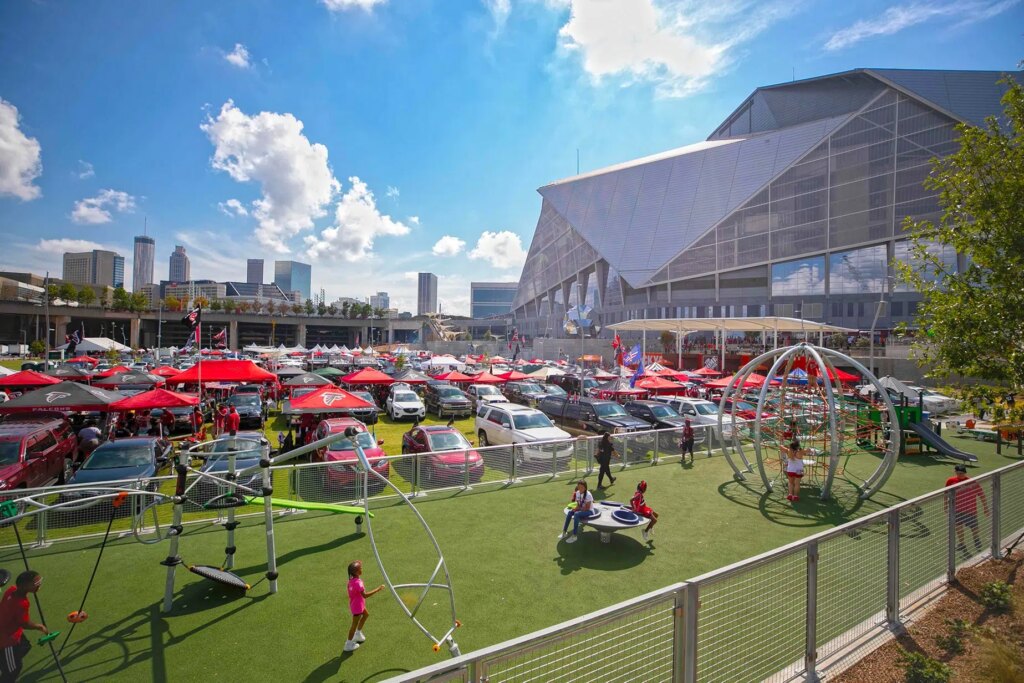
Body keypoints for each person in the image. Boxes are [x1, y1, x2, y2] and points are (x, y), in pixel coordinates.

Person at [0, 571, 48, 682]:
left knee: (25, 646)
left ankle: (4, 661)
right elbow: (24, 623)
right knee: (12, 670)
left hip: (12, 631)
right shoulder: (22, 603)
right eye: (35, 583)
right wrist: (40, 626)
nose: (39, 584)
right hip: (6, 639)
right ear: (24, 585)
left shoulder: (11, 590)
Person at [945, 464, 990, 553]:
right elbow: (946, 493)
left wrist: (985, 507)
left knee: (974, 528)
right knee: (958, 527)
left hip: (970, 510)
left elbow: (981, 495)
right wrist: (945, 505)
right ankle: (962, 543)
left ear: (965, 473)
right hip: (956, 509)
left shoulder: (972, 482)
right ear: (955, 472)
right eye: (958, 473)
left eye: (962, 473)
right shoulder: (950, 481)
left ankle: (976, 539)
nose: (960, 475)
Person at [344, 560, 384, 653]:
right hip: (358, 607)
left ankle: (358, 633)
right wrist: (378, 589)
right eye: (360, 568)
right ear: (357, 572)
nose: (362, 569)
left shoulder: (351, 581)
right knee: (354, 625)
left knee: (366, 615)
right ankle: (348, 644)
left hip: (357, 604)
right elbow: (365, 595)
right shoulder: (358, 583)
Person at [559, 480, 593, 544]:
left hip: (589, 511)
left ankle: (574, 536)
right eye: (579, 487)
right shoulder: (577, 493)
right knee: (570, 512)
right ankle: (564, 532)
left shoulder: (588, 495)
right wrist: (575, 509)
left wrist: (578, 509)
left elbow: (587, 508)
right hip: (581, 509)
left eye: (582, 487)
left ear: (585, 487)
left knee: (576, 514)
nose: (580, 489)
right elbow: (578, 504)